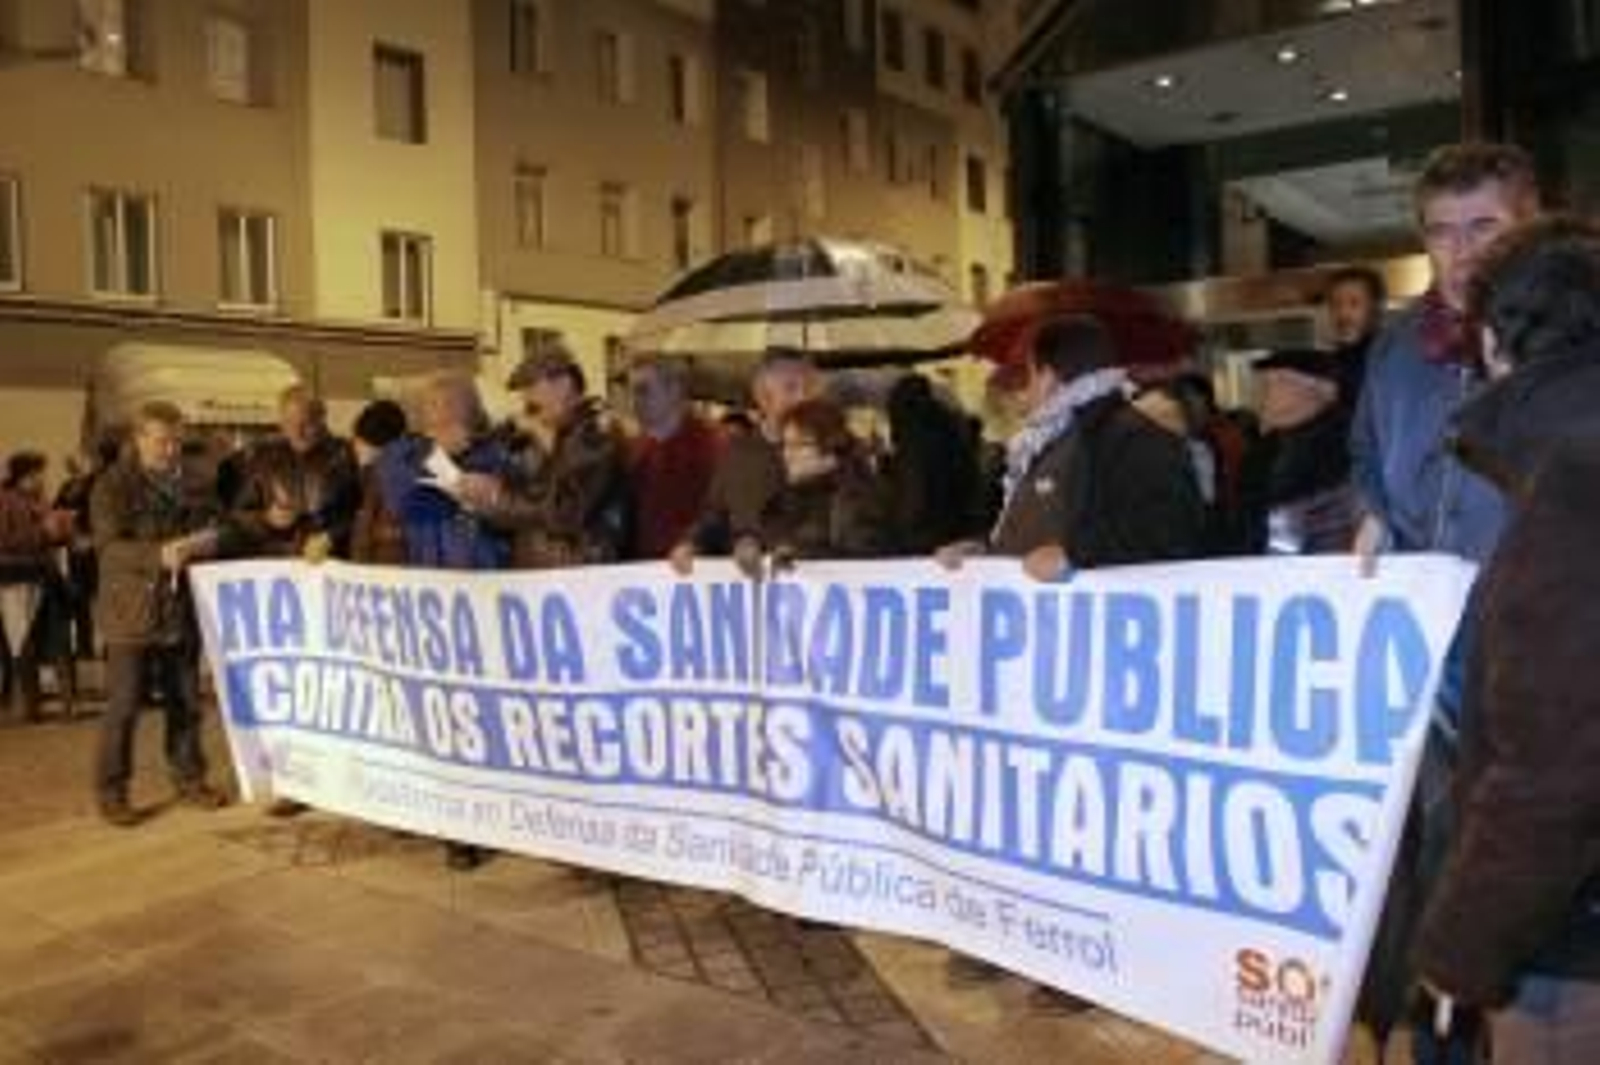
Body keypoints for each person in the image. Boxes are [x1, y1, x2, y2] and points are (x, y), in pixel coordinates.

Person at [1349, 141, 1543, 1062]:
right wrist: (1376, 525)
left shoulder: (1568, 342)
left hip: (1544, 656)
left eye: (1485, 227)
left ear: (1533, 220)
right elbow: (1369, 466)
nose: (1461, 252)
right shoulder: (1396, 351)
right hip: (1425, 654)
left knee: (1518, 878)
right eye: (1440, 233)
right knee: (1430, 863)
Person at [1413, 216, 1600, 1064]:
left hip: (1572, 945)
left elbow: (1551, 767)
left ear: (1493, 341)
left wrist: (1460, 949)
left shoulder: (1574, 482)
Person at [377, 373, 515, 870]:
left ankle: (489, 815)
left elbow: (506, 504)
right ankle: (455, 824)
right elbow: (404, 496)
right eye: (432, 408)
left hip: (484, 601)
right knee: (440, 715)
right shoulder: (404, 454)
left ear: (471, 410)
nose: (441, 416)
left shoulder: (500, 453)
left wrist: (471, 482)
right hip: (432, 606)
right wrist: (447, 465)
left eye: (451, 408)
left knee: (485, 715)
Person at [948, 315, 1207, 580]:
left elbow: (1168, 530)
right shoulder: (1049, 439)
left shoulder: (1134, 437)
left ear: (1047, 376)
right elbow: (1042, 525)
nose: (1026, 387)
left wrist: (1075, 555)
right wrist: (987, 552)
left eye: (1030, 373)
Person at [91, 402, 236, 826]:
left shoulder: (196, 480)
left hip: (181, 608)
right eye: (161, 440)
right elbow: (109, 549)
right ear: (138, 439)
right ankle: (112, 791)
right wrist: (158, 554)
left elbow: (220, 525)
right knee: (125, 703)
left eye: (176, 440)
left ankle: (190, 779)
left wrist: (211, 541)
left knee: (186, 700)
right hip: (130, 612)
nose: (171, 449)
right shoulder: (112, 485)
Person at [672, 349, 818, 570]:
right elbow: (715, 514)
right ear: (761, 395)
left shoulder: (834, 450)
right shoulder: (737, 454)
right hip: (745, 590)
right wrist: (692, 543)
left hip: (813, 588)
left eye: (808, 388)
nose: (803, 398)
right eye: (791, 388)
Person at [494, 345, 629, 569]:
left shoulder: (597, 431)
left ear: (564, 384)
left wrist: (545, 439)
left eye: (531, 386)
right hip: (541, 573)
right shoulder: (546, 433)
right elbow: (527, 500)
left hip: (581, 576)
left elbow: (569, 511)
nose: (526, 397)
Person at [1246, 349, 1359, 555]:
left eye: (1277, 382)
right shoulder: (1264, 448)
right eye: (1262, 383)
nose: (1262, 393)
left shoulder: (1343, 446)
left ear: (1321, 391)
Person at [752, 398, 891, 564]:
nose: (787, 454)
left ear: (831, 449)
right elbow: (768, 536)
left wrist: (796, 553)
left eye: (799, 445)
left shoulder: (857, 497)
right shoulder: (785, 495)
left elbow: (863, 561)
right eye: (785, 445)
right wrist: (748, 543)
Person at [232, 385, 361, 561]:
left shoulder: (345, 457)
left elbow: (361, 515)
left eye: (306, 423)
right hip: (279, 563)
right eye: (289, 423)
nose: (297, 432)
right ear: (281, 423)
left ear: (321, 420)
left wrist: (331, 537)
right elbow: (240, 515)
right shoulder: (264, 459)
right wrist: (266, 518)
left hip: (329, 565)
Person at [624, 357, 721, 561]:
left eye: (643, 390)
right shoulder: (632, 450)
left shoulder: (713, 446)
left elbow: (721, 511)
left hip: (698, 569)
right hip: (643, 572)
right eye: (631, 392)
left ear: (674, 390)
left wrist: (694, 542)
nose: (633, 402)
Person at [0, 453, 73, 722]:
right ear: (23, 475)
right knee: (24, 643)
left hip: (45, 576)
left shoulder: (40, 501)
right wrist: (43, 532)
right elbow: (4, 539)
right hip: (16, 579)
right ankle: (31, 707)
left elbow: (52, 537)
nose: (42, 479)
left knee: (59, 640)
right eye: (37, 474)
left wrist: (64, 530)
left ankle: (68, 704)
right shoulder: (5, 501)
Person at [883, 374, 982, 555]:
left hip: (923, 541)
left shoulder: (912, 438)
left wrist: (900, 539)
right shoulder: (951, 429)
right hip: (956, 530)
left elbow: (914, 495)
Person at [348, 399, 410, 567]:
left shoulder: (396, 481)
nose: (353, 447)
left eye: (356, 440)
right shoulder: (371, 479)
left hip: (388, 583)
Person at [1322, 264, 1388, 400]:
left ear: (1377, 307)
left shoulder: (1390, 357)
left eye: (1354, 303)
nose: (1343, 313)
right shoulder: (1330, 363)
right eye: (1335, 304)